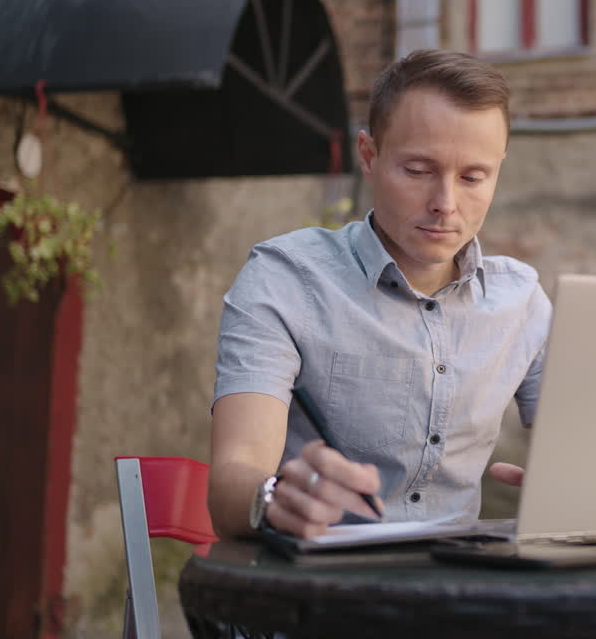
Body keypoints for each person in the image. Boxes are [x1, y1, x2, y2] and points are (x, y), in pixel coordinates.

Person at [207, 49, 551, 539]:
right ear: (369, 157)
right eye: (418, 170)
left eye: (473, 177)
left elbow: (584, 459)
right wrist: (273, 498)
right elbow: (231, 479)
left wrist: (574, 489)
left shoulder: (523, 301)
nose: (445, 205)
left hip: (462, 591)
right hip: (316, 589)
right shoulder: (285, 281)